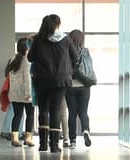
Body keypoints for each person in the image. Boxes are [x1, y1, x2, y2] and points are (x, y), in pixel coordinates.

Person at [27, 14, 78, 153]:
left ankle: (43, 144)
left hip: (42, 80)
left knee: (43, 110)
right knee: (55, 110)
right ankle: (54, 146)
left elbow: (30, 58)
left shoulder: (38, 39)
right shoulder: (66, 39)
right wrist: (69, 70)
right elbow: (76, 57)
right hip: (61, 80)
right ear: (58, 24)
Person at [66, 29, 92, 149]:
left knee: (72, 113)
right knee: (83, 112)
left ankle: (73, 141)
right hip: (84, 86)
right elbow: (89, 68)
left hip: (70, 86)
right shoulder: (85, 51)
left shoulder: (66, 51)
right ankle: (86, 130)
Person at [8, 37, 34, 147]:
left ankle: (14, 138)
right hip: (25, 93)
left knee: (17, 115)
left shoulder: (13, 58)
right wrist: (29, 93)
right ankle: (28, 138)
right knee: (30, 114)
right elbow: (27, 79)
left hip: (14, 93)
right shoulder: (28, 60)